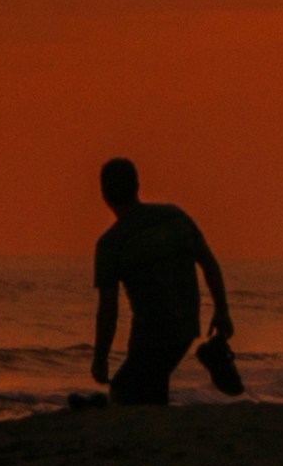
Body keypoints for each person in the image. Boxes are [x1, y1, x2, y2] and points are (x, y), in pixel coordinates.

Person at [91, 158, 233, 407]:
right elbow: (209, 264)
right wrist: (222, 310)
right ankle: (210, 354)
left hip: (150, 333)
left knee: (126, 390)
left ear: (104, 194)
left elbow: (108, 311)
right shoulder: (174, 217)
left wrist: (100, 358)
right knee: (151, 383)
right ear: (137, 185)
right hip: (186, 326)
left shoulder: (111, 243)